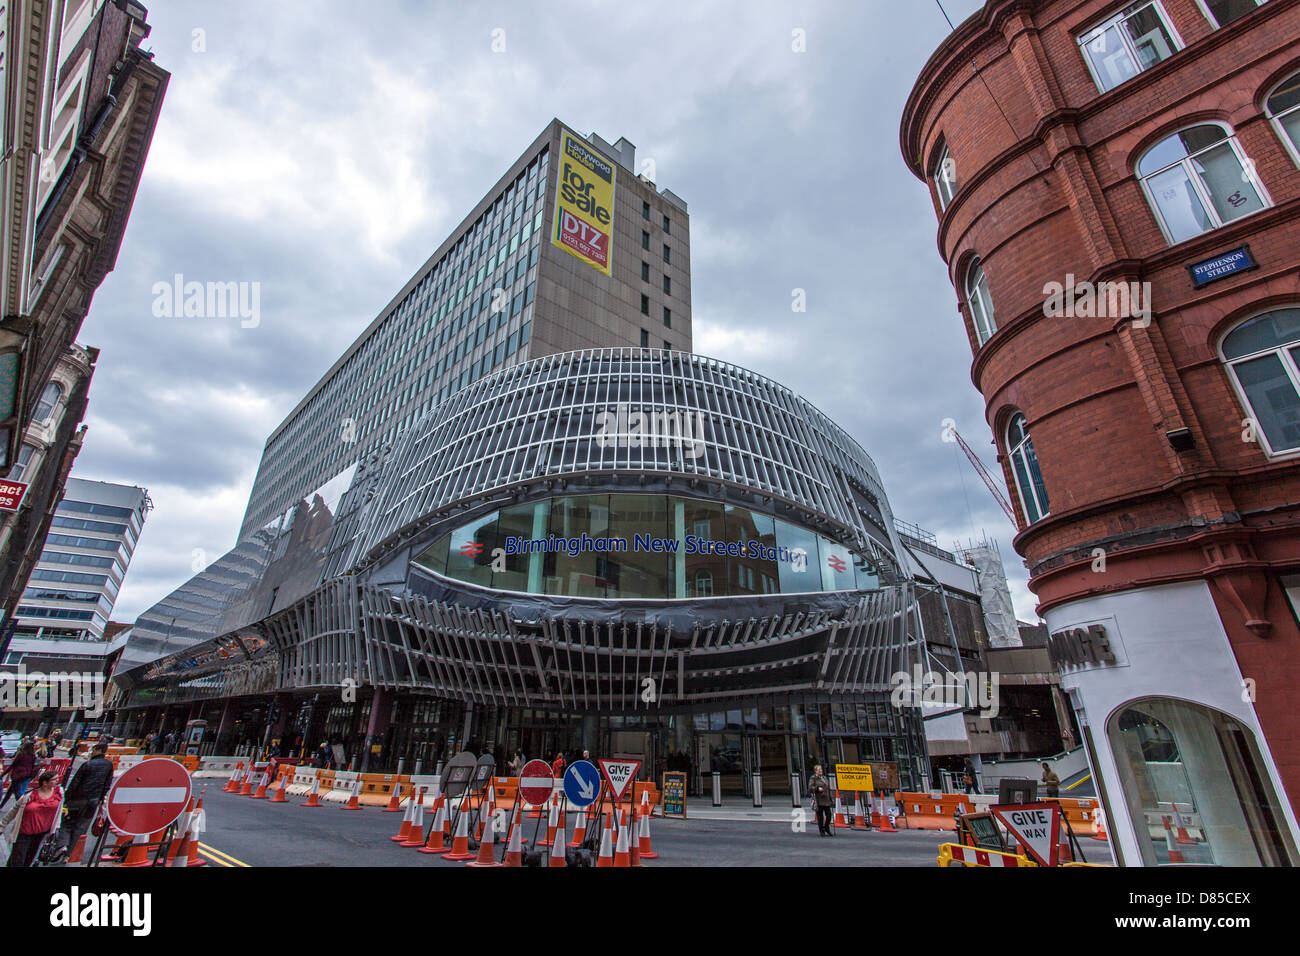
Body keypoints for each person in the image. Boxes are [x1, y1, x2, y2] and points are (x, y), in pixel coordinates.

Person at [55, 742, 113, 858]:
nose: (92, 751)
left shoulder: (88, 764)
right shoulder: (108, 765)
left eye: (94, 749)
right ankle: (70, 854)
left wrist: (67, 798)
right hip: (93, 801)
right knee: (81, 827)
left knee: (67, 823)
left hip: (77, 799)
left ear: (98, 750)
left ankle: (62, 845)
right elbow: (107, 784)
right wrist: (101, 798)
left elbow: (75, 783)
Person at [2, 769, 63, 867]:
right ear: (44, 783)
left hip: (41, 834)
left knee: (29, 860)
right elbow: (14, 810)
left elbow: (59, 811)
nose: (57, 781)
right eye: (54, 779)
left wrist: (57, 827)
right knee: (18, 860)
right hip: (25, 833)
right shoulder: (29, 796)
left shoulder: (59, 793)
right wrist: (2, 825)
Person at [0, 741, 37, 808]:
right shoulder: (33, 756)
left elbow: (13, 765)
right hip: (26, 775)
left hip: (17, 774)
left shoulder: (21, 754)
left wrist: (3, 774)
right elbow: (32, 766)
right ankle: (2, 805)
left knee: (17, 793)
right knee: (11, 791)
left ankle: (22, 806)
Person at [808, 765, 834, 837]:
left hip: (826, 799)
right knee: (820, 816)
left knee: (828, 814)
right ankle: (821, 830)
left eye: (821, 770)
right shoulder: (813, 778)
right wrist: (817, 788)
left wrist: (831, 798)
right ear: (815, 771)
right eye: (819, 770)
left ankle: (826, 827)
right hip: (819, 799)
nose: (820, 771)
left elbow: (828, 788)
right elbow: (810, 788)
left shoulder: (824, 778)